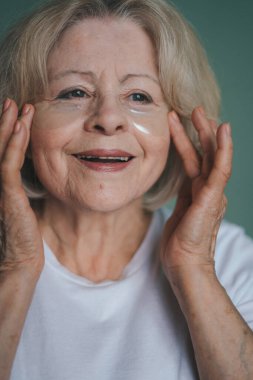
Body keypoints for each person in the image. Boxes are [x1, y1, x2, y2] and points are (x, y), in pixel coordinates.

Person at [0, 0, 252, 379]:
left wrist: (193, 266)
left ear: (178, 129)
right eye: (74, 93)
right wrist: (16, 268)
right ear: (17, 121)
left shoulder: (232, 261)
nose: (108, 119)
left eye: (139, 96)